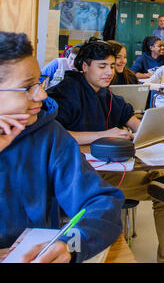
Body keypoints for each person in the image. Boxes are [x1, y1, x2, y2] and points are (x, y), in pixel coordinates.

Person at [47, 40, 164, 263]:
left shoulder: (107, 94)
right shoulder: (66, 93)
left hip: (109, 170)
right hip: (80, 179)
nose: (109, 72)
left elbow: (130, 119)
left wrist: (146, 130)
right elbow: (56, 134)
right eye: (102, 66)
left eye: (111, 66)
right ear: (84, 66)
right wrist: (104, 135)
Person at [0, 31, 124, 263]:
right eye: (27, 87)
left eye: (39, 82)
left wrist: (70, 244)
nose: (42, 94)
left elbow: (102, 203)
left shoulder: (48, 135)